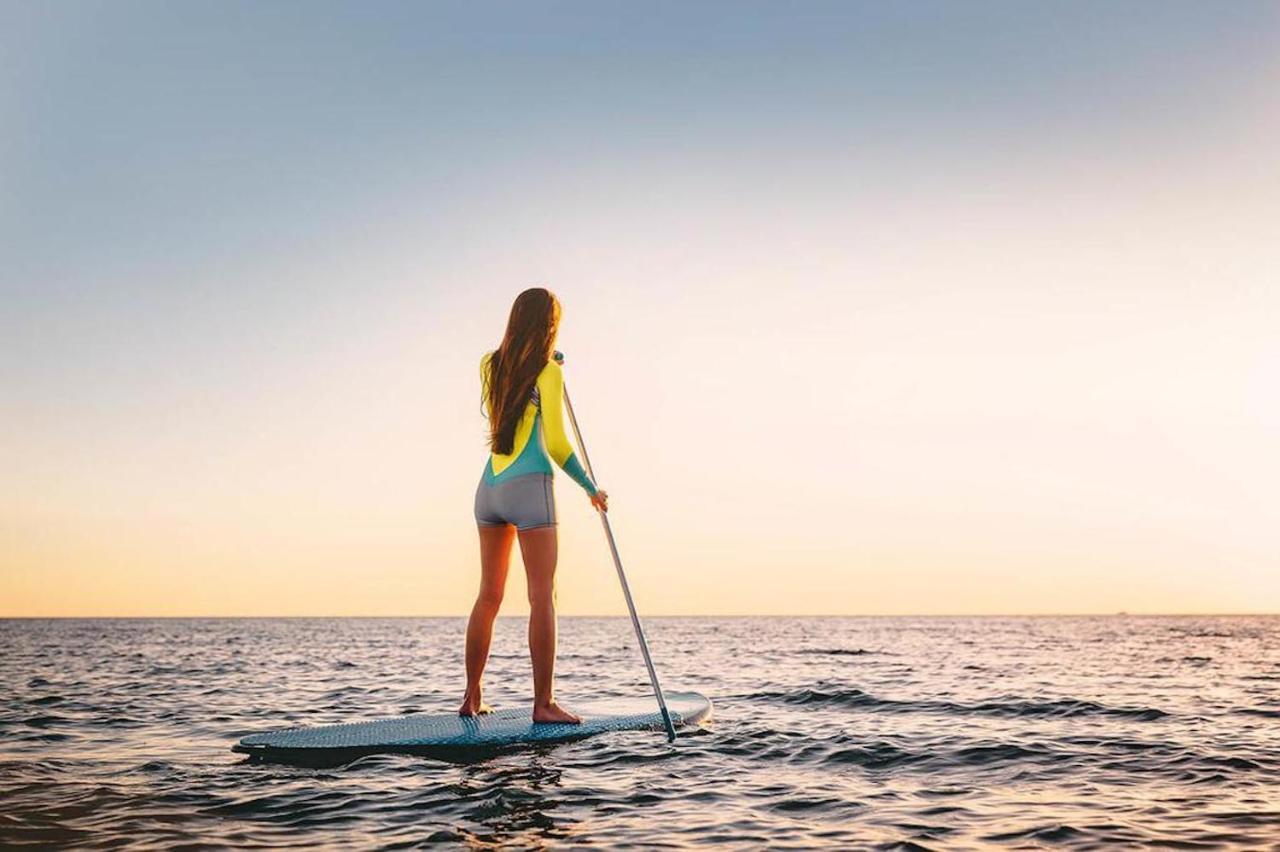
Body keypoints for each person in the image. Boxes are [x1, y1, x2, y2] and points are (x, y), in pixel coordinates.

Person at [460, 287, 608, 723]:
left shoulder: (491, 364)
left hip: (489, 486)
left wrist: (549, 371)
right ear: (550, 325)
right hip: (530, 487)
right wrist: (589, 486)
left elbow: (508, 411)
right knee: (543, 595)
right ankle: (543, 704)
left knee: (488, 595)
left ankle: (471, 697)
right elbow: (559, 445)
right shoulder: (548, 371)